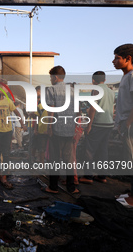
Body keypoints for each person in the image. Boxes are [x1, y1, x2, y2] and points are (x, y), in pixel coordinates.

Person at [42, 65, 79, 194]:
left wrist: (49, 127)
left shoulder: (51, 89)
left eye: (51, 77)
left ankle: (53, 187)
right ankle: (71, 187)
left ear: (55, 77)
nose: (50, 80)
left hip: (57, 129)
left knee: (55, 159)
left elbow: (51, 110)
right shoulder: (73, 90)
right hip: (69, 130)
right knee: (69, 160)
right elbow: (77, 111)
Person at [79, 71, 115, 184]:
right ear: (104, 79)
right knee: (103, 151)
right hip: (109, 124)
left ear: (93, 80)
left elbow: (93, 108)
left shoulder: (97, 90)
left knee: (89, 150)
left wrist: (89, 125)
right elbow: (112, 109)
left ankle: (88, 176)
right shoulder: (111, 91)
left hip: (98, 124)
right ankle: (102, 176)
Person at [112, 44, 133, 207]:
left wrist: (127, 123)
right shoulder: (125, 76)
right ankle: (130, 193)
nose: (113, 61)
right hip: (125, 125)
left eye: (117, 58)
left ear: (128, 59)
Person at [0, 84, 27, 190]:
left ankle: (4, 177)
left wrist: (22, 124)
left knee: (5, 155)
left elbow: (17, 112)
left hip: (7, 131)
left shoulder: (8, 101)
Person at [32, 86, 49, 165]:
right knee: (41, 148)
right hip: (41, 130)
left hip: (50, 130)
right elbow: (37, 118)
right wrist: (36, 129)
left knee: (49, 149)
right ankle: (41, 163)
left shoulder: (54, 106)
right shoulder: (40, 106)